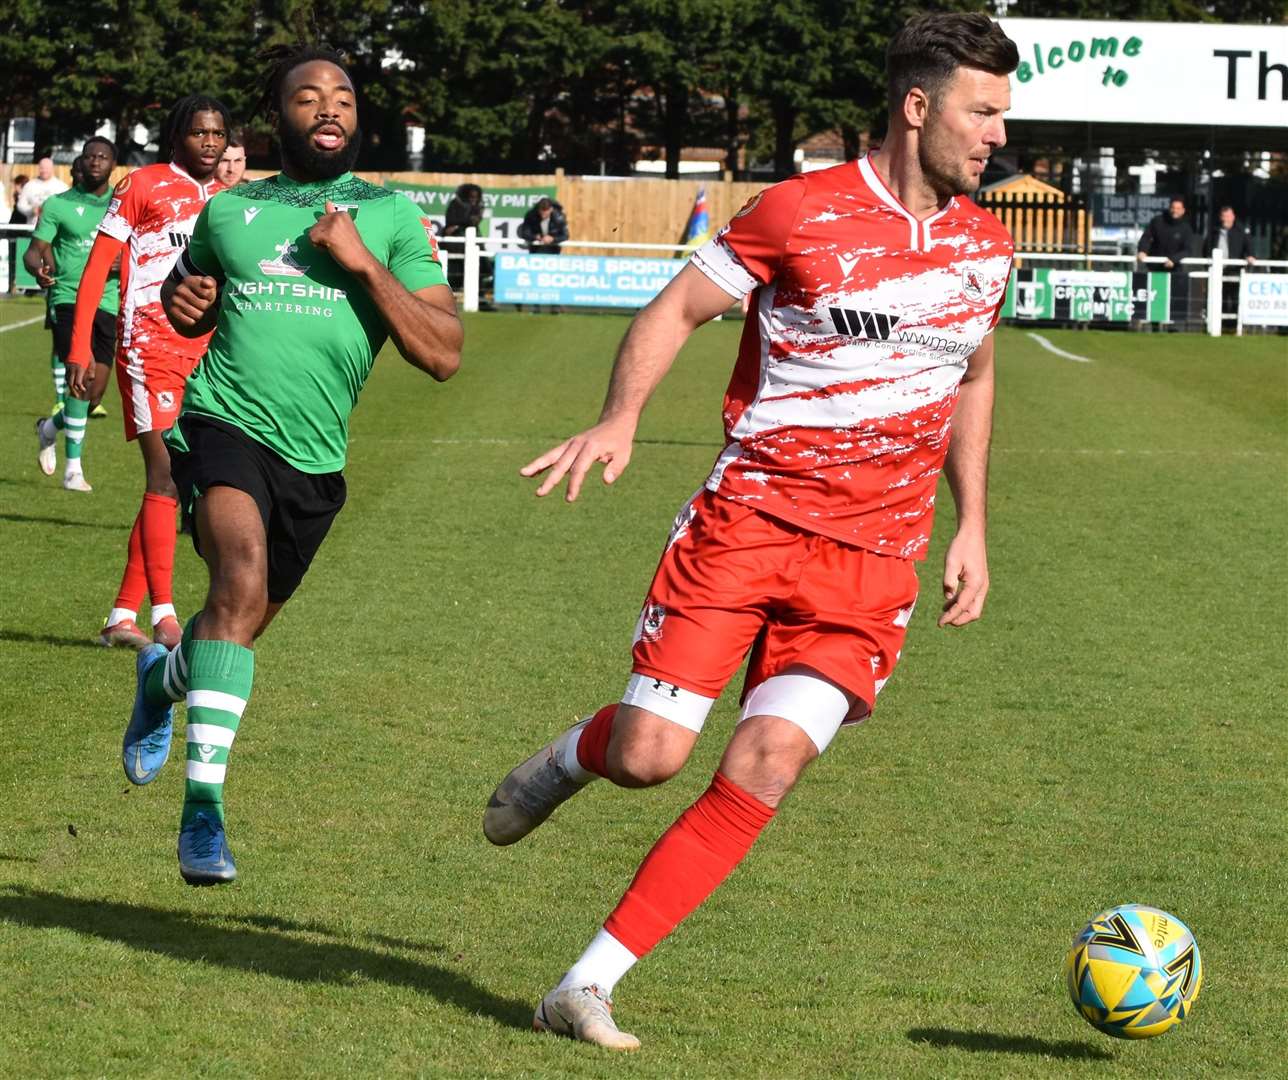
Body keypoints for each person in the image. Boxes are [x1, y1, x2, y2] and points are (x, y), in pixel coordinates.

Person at [482, 10, 1018, 1051]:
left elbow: (974, 374)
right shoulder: (797, 212)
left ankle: (583, 985)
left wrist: (973, 524)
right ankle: (570, 759)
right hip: (747, 527)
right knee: (648, 758)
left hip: (873, 561)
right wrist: (621, 415)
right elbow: (677, 308)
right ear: (917, 108)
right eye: (982, 112)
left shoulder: (983, 246)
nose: (998, 134)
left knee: (767, 760)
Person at [123, 44, 461, 886]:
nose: (327, 109)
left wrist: (359, 261)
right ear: (276, 118)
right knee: (235, 587)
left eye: (342, 97)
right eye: (306, 97)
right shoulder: (230, 212)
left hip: (317, 461)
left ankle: (160, 680)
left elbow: (444, 352)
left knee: (230, 635)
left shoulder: (392, 218)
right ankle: (203, 818)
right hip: (222, 424)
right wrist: (180, 301)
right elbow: (187, 297)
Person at [68, 95, 230, 649]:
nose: (210, 142)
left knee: (175, 484)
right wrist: (79, 350)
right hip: (146, 346)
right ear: (178, 136)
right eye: (200, 133)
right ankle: (164, 615)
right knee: (162, 475)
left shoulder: (228, 202)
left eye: (218, 134)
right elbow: (96, 269)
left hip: (204, 354)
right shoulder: (142, 185)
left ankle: (120, 616)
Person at [27, 138, 121, 492]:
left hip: (108, 303)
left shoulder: (123, 205)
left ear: (114, 164)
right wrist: (38, 269)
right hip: (68, 299)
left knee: (95, 394)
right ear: (82, 161)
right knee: (82, 377)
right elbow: (34, 252)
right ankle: (73, 470)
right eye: (90, 156)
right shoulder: (58, 205)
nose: (96, 161)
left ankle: (48, 429)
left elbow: (140, 251)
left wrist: (124, 262)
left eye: (103, 156)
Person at [1136, 196, 1196, 271]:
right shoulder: (1157, 221)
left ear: (1183, 210)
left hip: (1175, 269)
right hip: (1153, 267)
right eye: (1173, 208)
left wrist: (1174, 259)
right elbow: (1146, 237)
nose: (1175, 211)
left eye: (1178, 208)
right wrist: (1142, 250)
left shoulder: (1186, 228)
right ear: (1169, 208)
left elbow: (1188, 250)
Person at [16, 157, 69, 224]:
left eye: (47, 168)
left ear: (52, 169)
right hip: (33, 227)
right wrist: (31, 210)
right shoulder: (30, 185)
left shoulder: (62, 187)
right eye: (41, 168)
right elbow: (20, 205)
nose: (44, 170)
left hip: (55, 228)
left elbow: (67, 207)